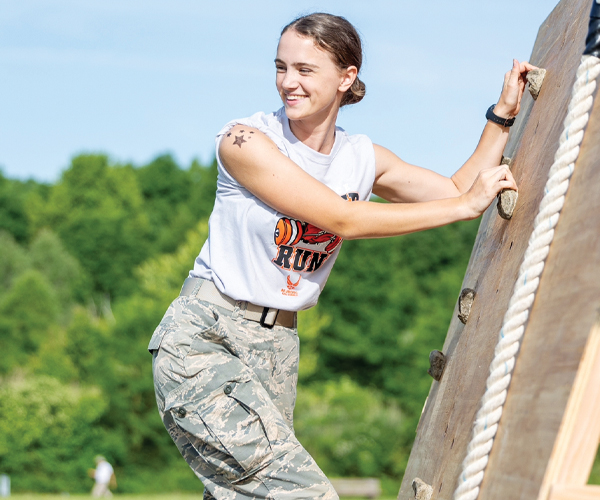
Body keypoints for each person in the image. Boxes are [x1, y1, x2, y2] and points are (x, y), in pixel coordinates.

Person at [149, 12, 535, 500]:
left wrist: (502, 114)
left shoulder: (361, 158)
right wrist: (462, 207)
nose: (288, 82)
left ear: (346, 78)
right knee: (303, 494)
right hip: (207, 339)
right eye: (280, 67)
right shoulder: (245, 141)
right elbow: (342, 219)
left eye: (305, 70)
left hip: (278, 347)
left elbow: (456, 188)